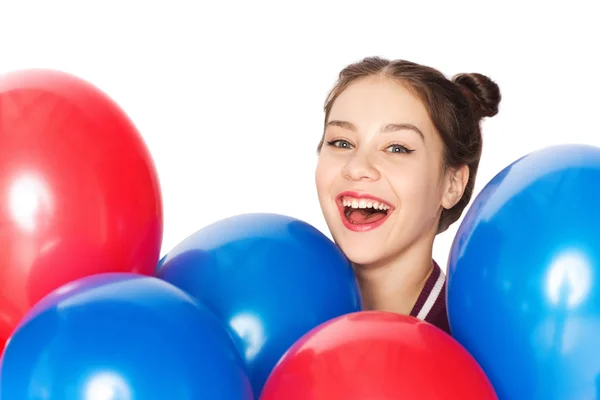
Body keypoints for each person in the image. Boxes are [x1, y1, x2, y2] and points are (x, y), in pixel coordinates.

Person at [314, 56, 501, 334]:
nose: (357, 167)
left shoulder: (476, 345)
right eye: (341, 142)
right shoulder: (283, 315)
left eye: (397, 148)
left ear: (452, 185)